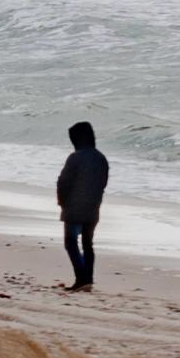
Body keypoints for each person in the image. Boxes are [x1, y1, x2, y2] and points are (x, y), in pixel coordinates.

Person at [55, 119, 109, 291]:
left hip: (74, 207)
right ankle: (88, 279)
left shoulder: (75, 158)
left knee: (71, 243)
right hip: (93, 208)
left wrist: (62, 202)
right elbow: (103, 183)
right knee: (88, 244)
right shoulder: (101, 158)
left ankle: (81, 279)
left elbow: (63, 183)